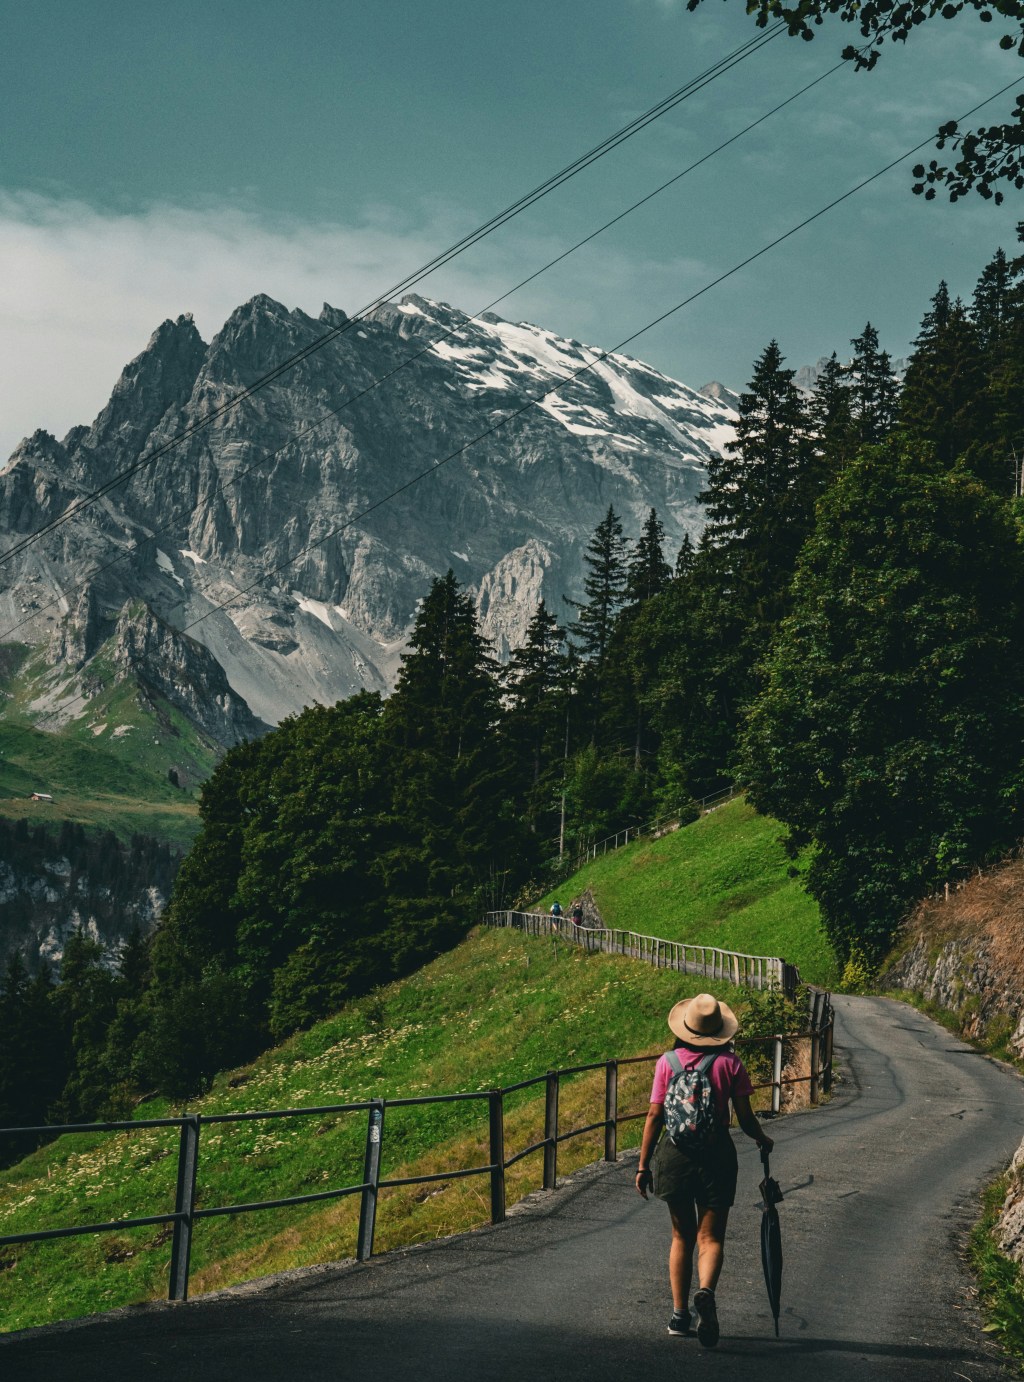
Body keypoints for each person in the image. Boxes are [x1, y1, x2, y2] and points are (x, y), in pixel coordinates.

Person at [635, 992, 774, 1347]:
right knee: (711, 1239)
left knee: (681, 1237)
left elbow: (654, 1115)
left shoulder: (667, 1062)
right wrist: (762, 1139)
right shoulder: (731, 1064)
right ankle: (706, 1291)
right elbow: (744, 1118)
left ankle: (680, 1315)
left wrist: (642, 1165)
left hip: (675, 1156)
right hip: (717, 1157)